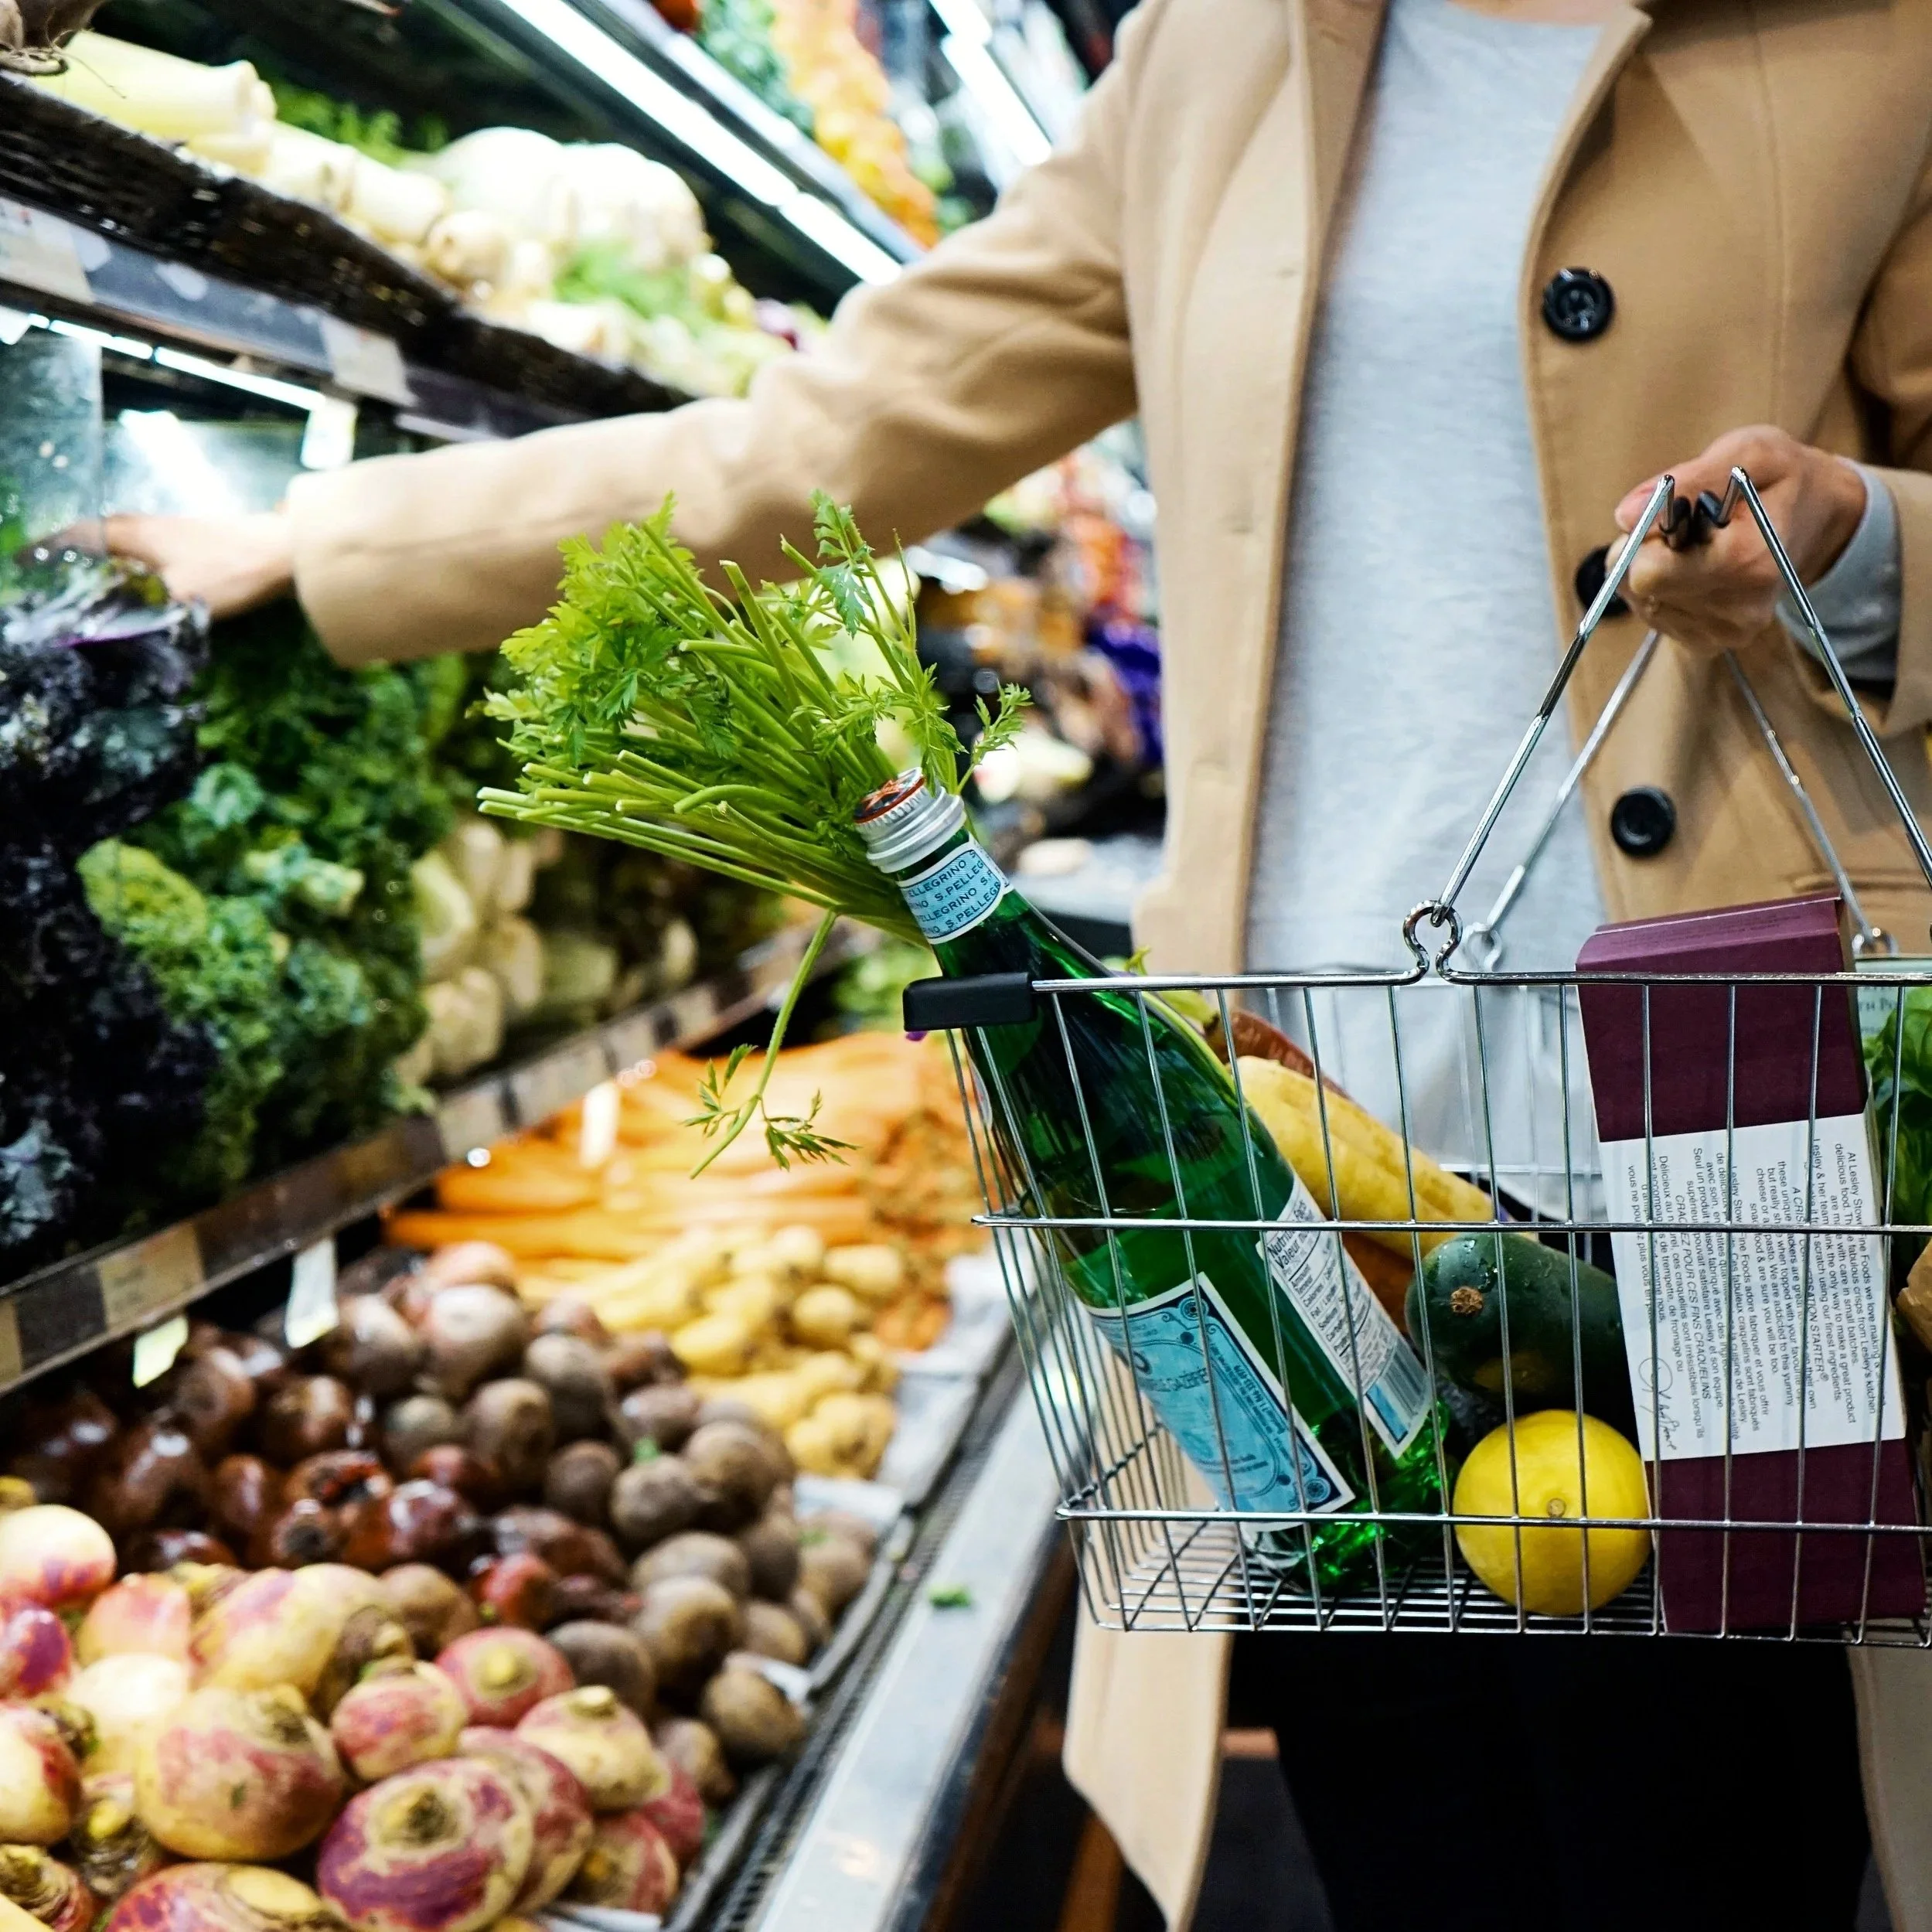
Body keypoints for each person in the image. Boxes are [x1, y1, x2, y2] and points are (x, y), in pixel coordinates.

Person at [111, 0, 1932, 1923]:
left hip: (1734, 1139)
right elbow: (829, 438)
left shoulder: (1869, 38)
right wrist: (330, 538)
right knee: (1416, 1838)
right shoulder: (1221, 58)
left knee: (1720, 1830)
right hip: (1280, 1159)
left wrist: (1860, 544)